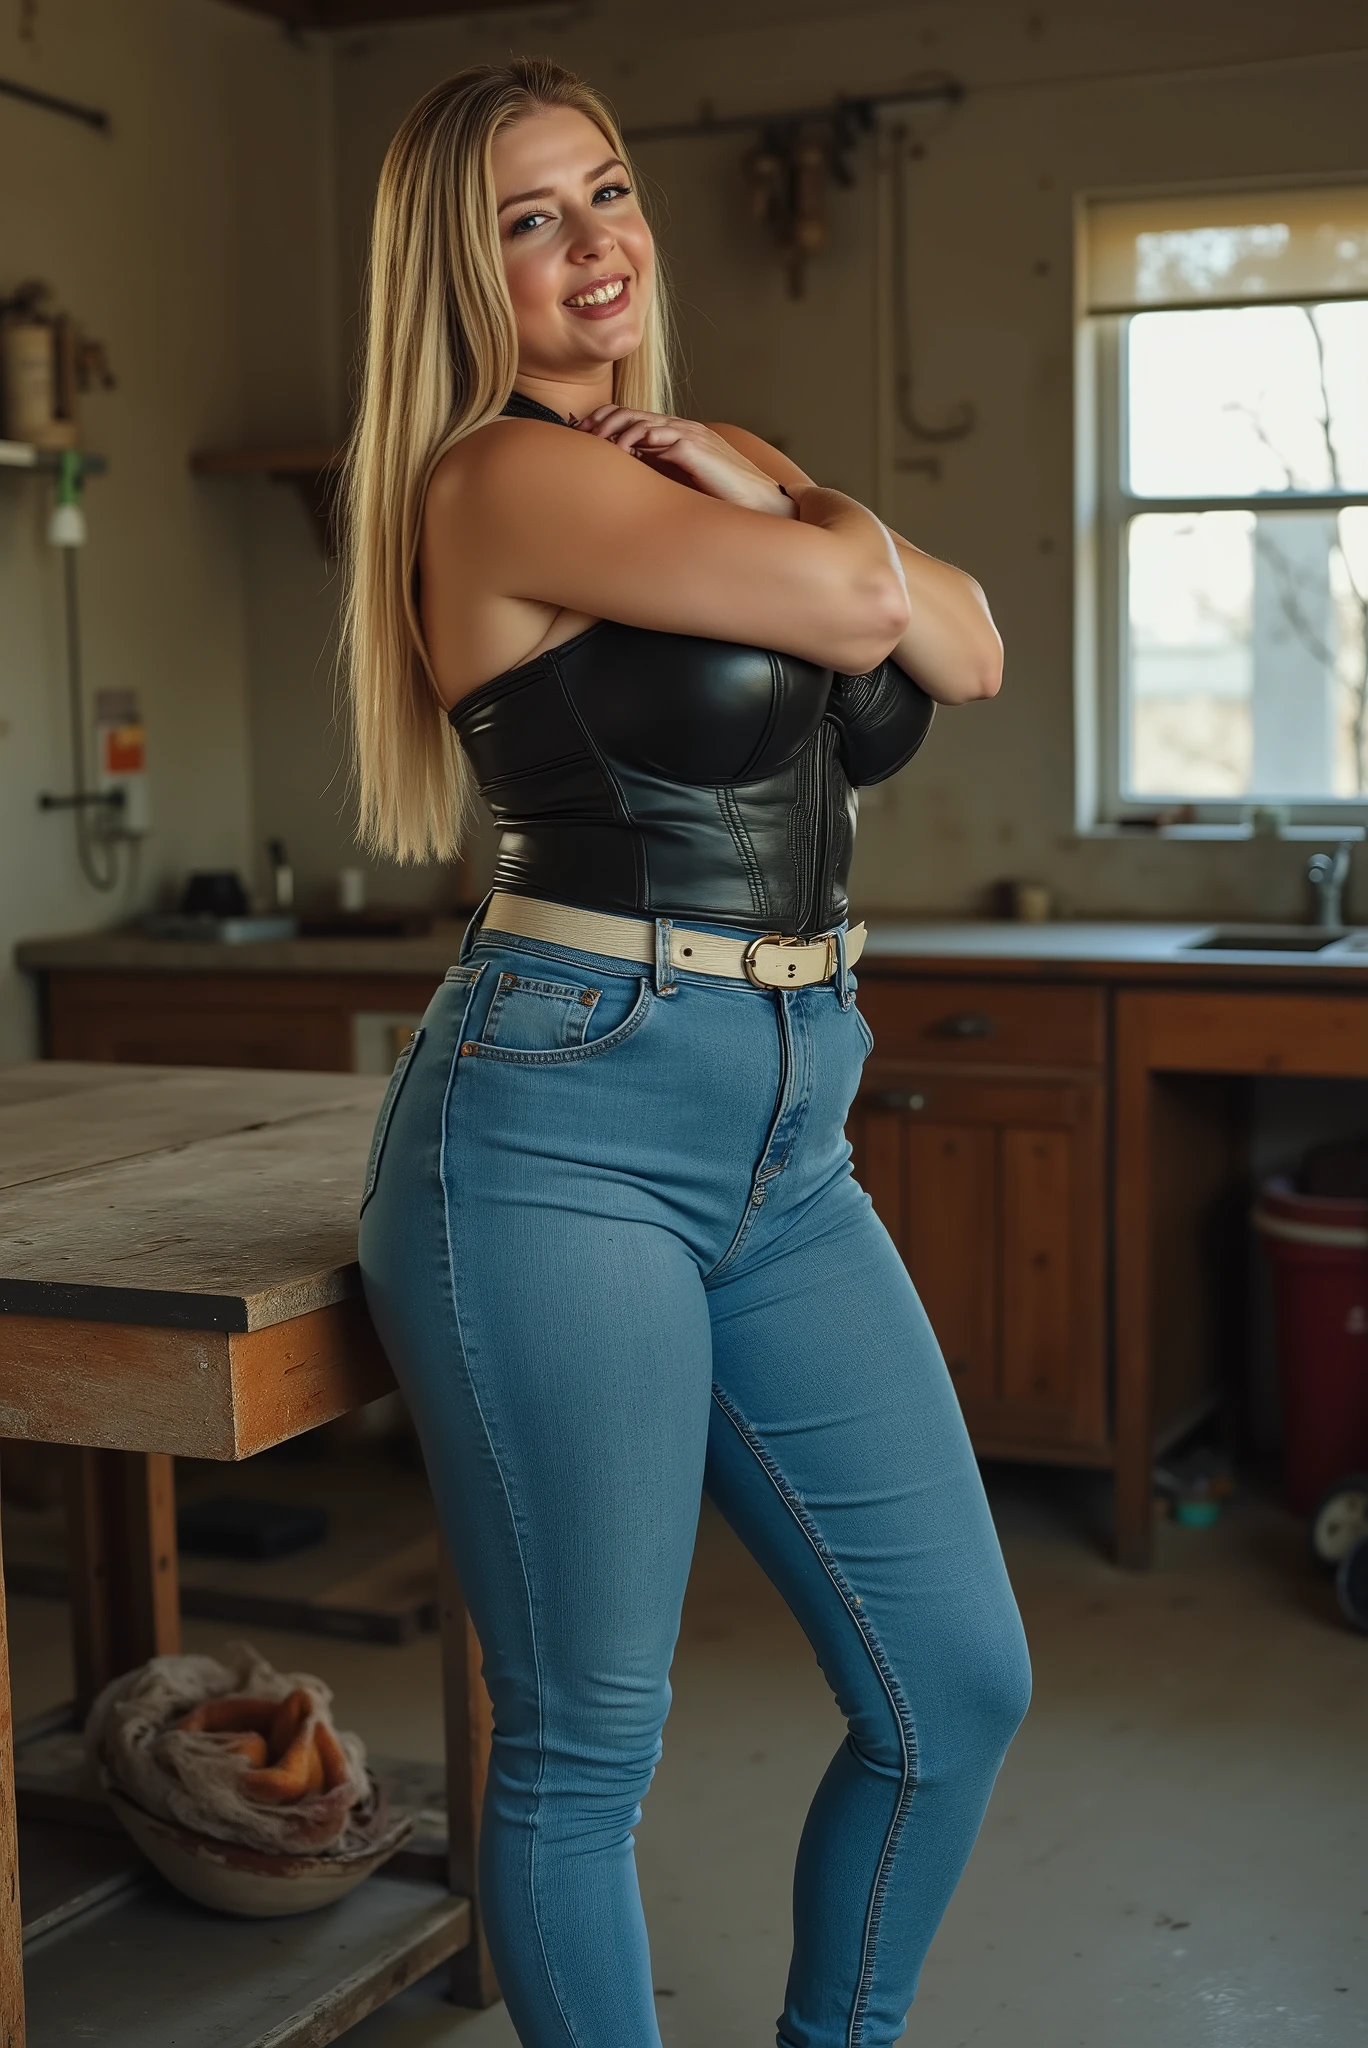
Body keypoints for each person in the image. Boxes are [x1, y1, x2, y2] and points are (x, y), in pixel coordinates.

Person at [347, 55, 1030, 2048]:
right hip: (564, 1118)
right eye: (528, 221)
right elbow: (866, 599)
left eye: (609, 192)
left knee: (955, 1683)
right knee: (584, 1749)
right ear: (461, 280)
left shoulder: (696, 449)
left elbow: (971, 651)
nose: (594, 248)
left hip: (791, 1125)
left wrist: (780, 490)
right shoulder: (497, 476)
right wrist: (807, 509)